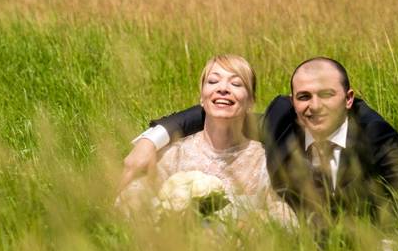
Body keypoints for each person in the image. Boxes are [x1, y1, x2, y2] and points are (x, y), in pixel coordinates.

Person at [123, 57, 398, 229]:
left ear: (348, 99)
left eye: (327, 95)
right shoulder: (281, 121)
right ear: (293, 101)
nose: (315, 106)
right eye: (304, 97)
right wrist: (153, 139)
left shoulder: (377, 137)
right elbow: (221, 111)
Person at [116, 54, 296, 227]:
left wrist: (258, 222)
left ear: (251, 101)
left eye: (236, 83)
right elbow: (128, 201)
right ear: (201, 97)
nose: (223, 89)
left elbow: (288, 217)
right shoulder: (174, 153)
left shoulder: (264, 160)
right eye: (213, 81)